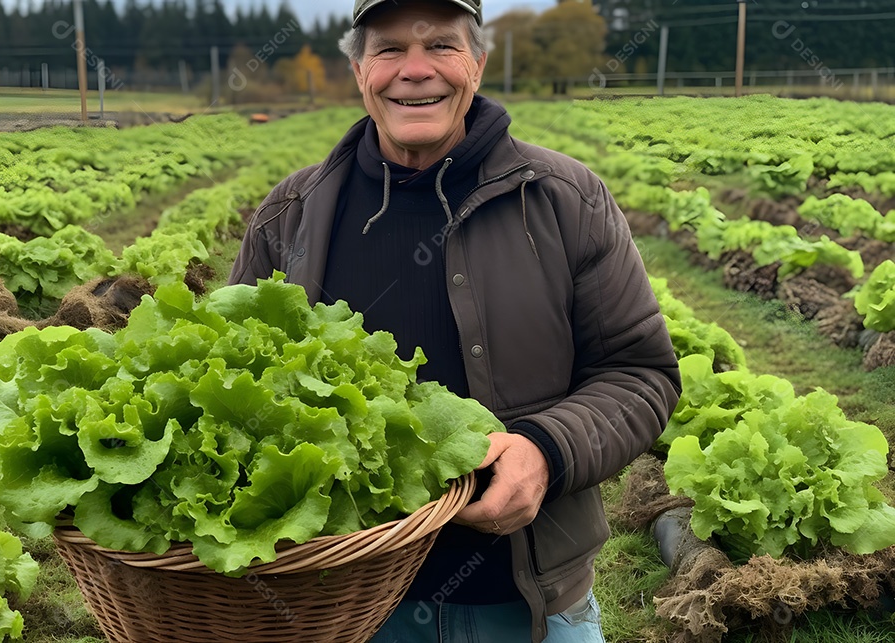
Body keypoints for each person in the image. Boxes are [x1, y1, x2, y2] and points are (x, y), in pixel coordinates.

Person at [227, 0, 682, 639]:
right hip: (342, 604)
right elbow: (228, 387)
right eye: (389, 49)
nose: (416, 70)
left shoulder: (563, 199)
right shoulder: (290, 216)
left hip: (529, 601)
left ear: (478, 62)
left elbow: (639, 371)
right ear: (358, 69)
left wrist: (546, 449)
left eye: (440, 45)